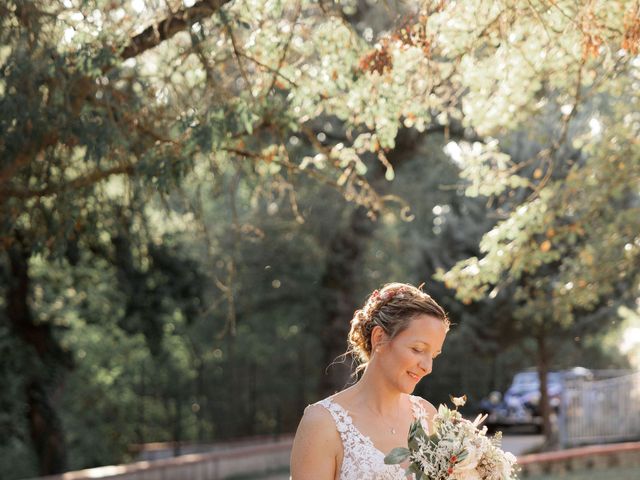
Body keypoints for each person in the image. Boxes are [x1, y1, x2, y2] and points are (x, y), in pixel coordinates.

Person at [290, 282, 450, 479]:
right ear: (379, 338)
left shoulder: (427, 415)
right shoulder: (322, 423)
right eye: (417, 349)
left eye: (433, 355)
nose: (428, 366)